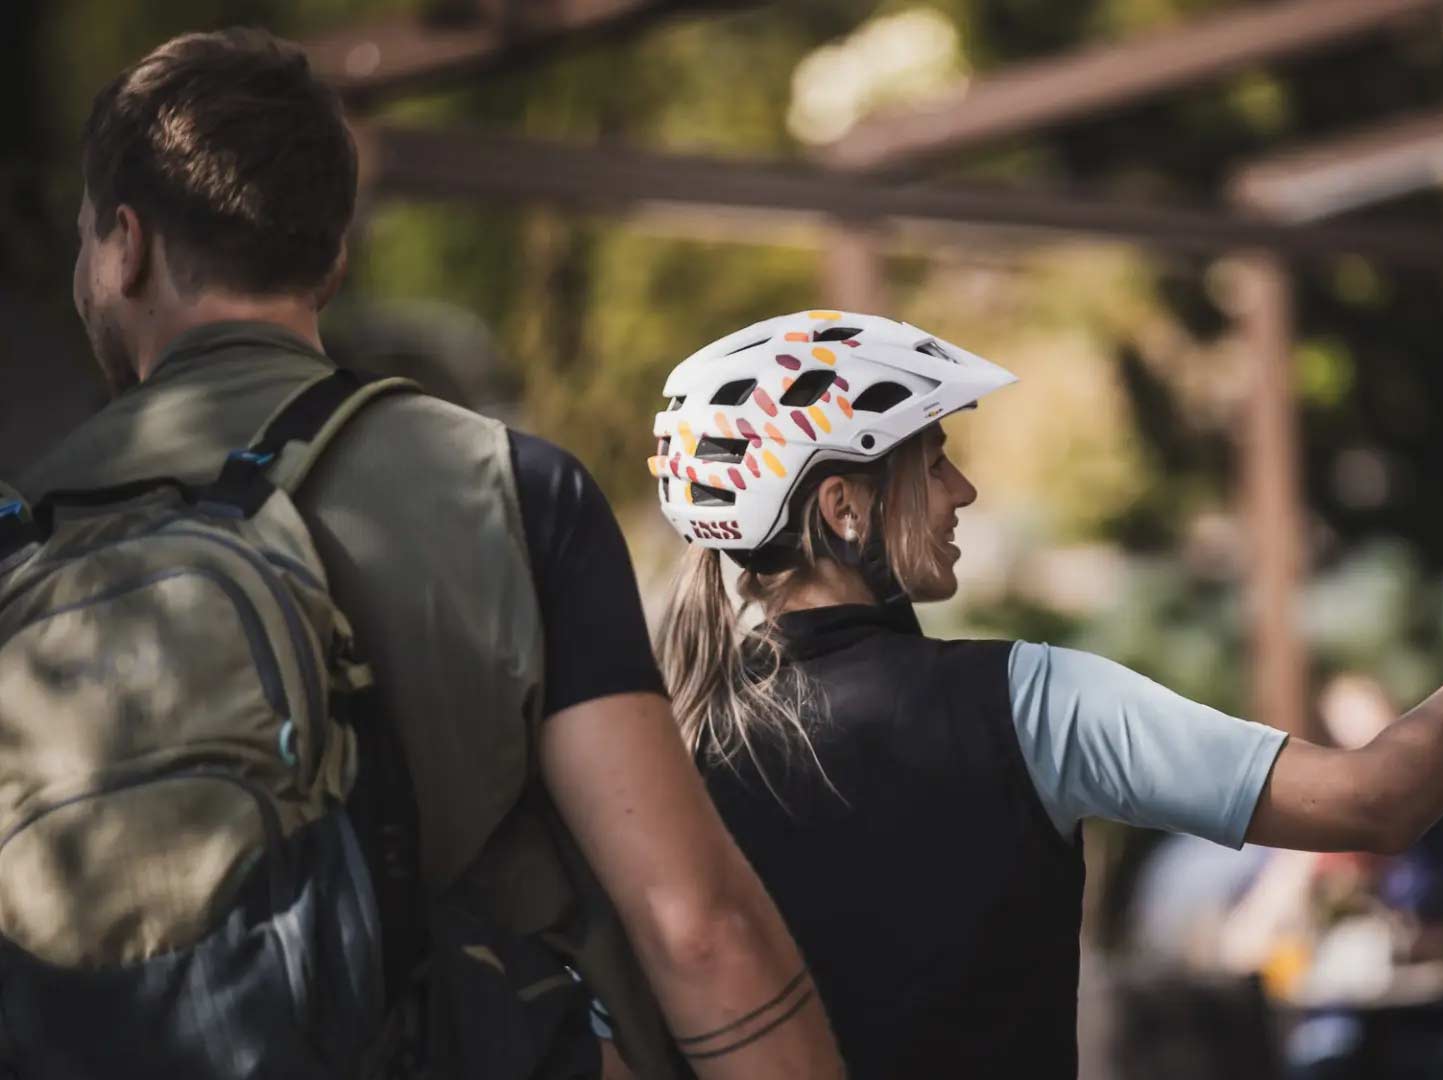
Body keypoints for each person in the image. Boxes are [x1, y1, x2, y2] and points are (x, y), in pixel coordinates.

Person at [16, 29, 840, 1079]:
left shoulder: (24, 527)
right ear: (332, 256)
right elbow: (695, 926)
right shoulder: (507, 487)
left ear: (122, 247)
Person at [647, 309, 1443, 1078]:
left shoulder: (667, 755)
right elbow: (1373, 801)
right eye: (932, 462)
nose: (962, 489)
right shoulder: (1024, 700)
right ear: (842, 507)